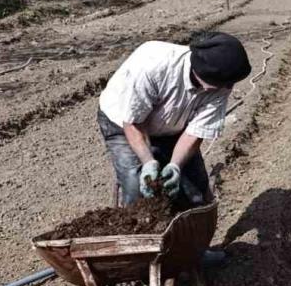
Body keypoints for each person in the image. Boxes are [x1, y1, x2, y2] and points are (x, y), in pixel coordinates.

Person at [97, 31, 251, 206]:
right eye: (223, 83)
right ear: (204, 72)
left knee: (196, 192)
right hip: (125, 124)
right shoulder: (153, 67)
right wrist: (148, 162)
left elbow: (195, 133)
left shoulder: (222, 84)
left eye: (229, 83)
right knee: (136, 186)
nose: (227, 88)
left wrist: (175, 165)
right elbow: (133, 123)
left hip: (174, 126)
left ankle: (190, 229)